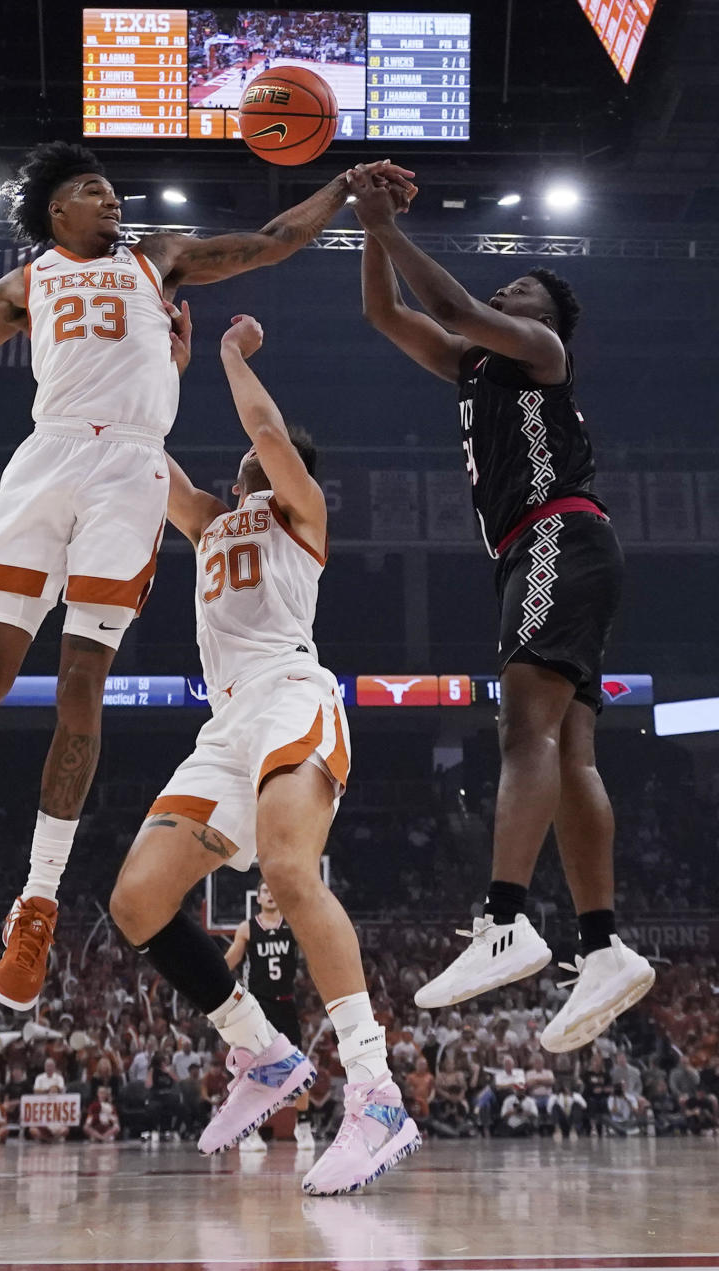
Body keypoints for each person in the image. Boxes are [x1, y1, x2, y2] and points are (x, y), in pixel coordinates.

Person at [0, 140, 415, 1013]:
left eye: (112, 188)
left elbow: (276, 238)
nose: (113, 199)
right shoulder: (26, 282)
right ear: (59, 211)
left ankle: (39, 902)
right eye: (96, 190)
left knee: (81, 686)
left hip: (132, 471)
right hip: (47, 458)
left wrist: (343, 186)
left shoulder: (156, 256)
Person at [110, 311, 421, 1196]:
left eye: (263, 456)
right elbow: (143, 457)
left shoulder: (301, 513)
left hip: (292, 694)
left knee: (289, 870)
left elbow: (266, 429)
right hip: (226, 725)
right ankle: (264, 1051)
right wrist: (151, 365)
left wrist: (228, 354)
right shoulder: (211, 521)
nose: (245, 457)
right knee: (136, 901)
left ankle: (375, 1090)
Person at [349, 162, 654, 1053]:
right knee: (567, 747)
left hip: (556, 534)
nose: (504, 289)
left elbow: (451, 308)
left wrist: (388, 223)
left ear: (546, 321)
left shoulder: (541, 353)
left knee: (524, 732)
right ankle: (602, 947)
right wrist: (373, 231)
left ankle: (506, 919)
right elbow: (386, 314)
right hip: (556, 548)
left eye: (522, 288)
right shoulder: (472, 365)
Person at [225, 878, 314, 1151]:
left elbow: (315, 952)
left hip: (286, 1004)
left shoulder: (294, 925)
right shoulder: (247, 928)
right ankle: (248, 1131)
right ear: (258, 897)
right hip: (258, 1007)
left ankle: (305, 1126)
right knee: (253, 1070)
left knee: (299, 1067)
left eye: (275, 890)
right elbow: (229, 962)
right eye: (265, 890)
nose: (271, 894)